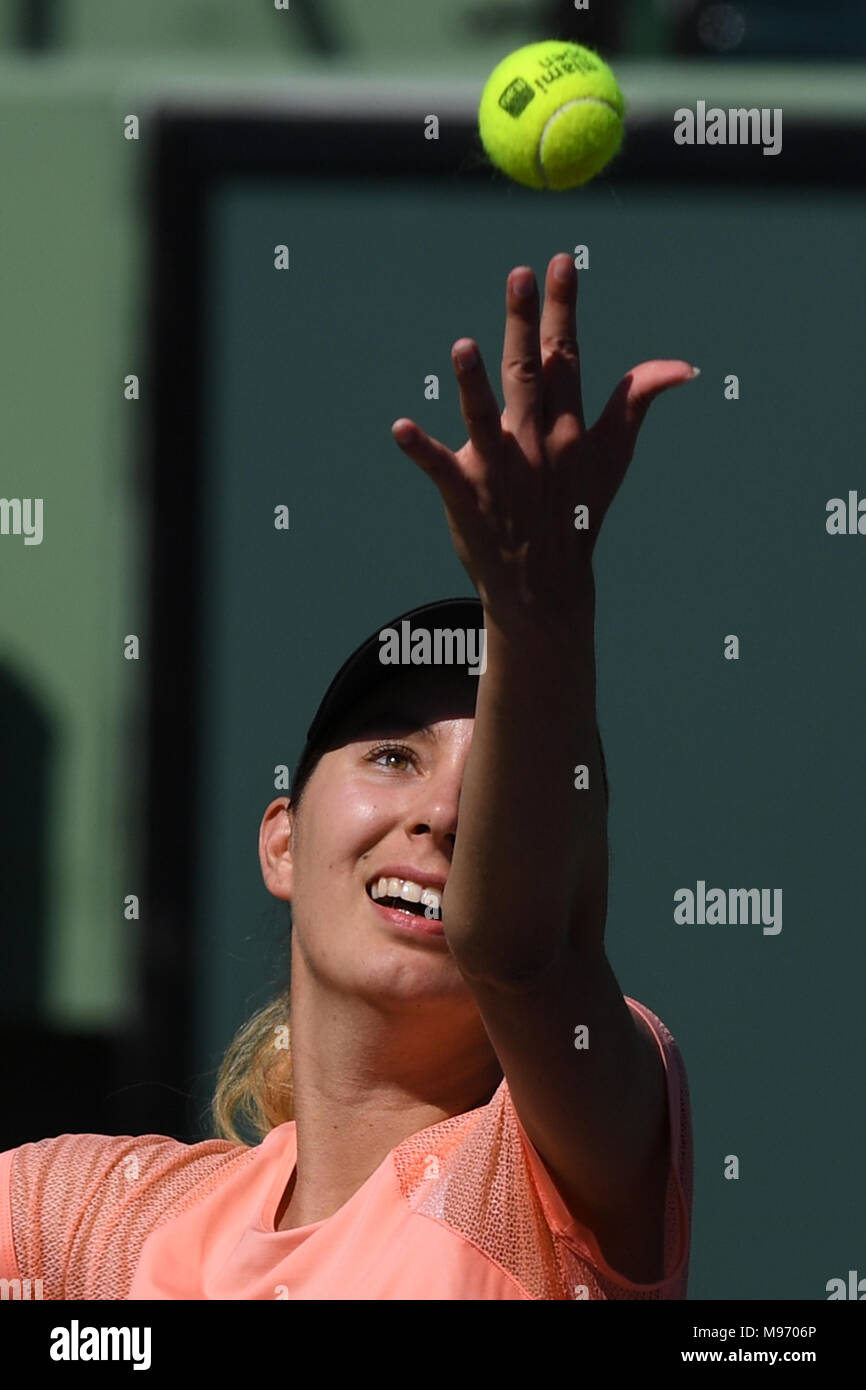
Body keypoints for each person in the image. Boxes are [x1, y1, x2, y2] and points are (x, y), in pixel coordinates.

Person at [0, 253, 695, 1300]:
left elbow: (518, 951)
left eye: (491, 778)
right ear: (281, 837)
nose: (442, 811)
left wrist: (538, 613)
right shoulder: (88, 1221)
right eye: (391, 754)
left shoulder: (541, 1174)